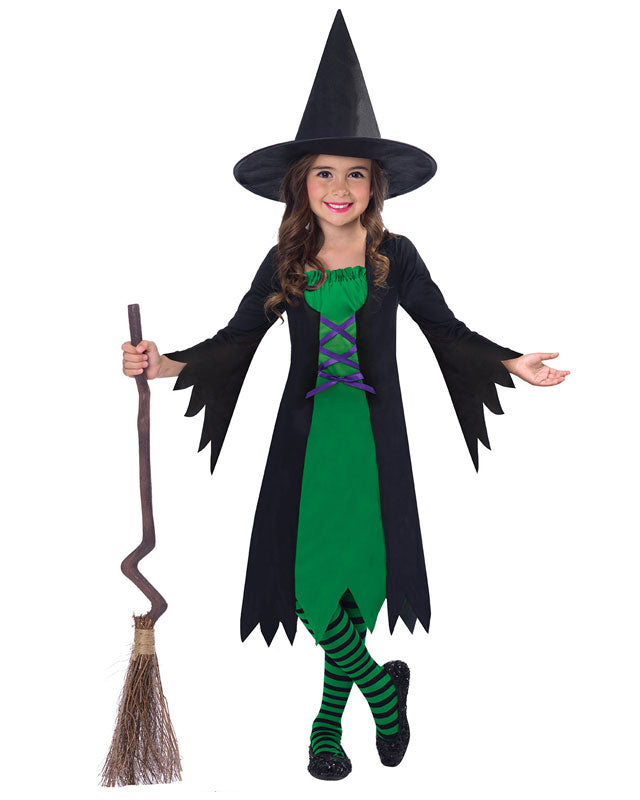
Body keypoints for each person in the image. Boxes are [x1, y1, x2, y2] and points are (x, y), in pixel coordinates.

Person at [120, 12, 569, 784]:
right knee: (310, 586)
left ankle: (327, 724)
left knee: (353, 582)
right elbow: (236, 341)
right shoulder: (284, 261)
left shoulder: (397, 257)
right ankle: (382, 694)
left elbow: (445, 330)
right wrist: (162, 364)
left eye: (355, 174)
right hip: (307, 446)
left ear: (376, 185)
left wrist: (508, 362)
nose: (339, 188)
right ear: (301, 183)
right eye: (324, 173)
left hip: (370, 442)